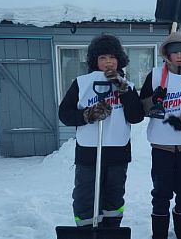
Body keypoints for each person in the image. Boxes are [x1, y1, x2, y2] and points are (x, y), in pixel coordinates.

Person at [58, 34, 144, 228]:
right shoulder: (81, 83)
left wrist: (122, 88)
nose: (108, 62)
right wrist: (87, 115)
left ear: (119, 60)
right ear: (95, 60)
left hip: (117, 150)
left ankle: (111, 231)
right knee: (85, 194)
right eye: (102, 58)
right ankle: (86, 231)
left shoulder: (126, 85)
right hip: (89, 151)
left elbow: (136, 116)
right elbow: (64, 114)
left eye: (112, 58)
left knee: (114, 194)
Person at [139, 32, 181, 239]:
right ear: (167, 53)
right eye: (174, 52)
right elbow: (141, 108)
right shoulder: (156, 75)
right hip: (161, 145)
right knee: (161, 192)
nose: (178, 56)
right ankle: (159, 236)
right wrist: (153, 100)